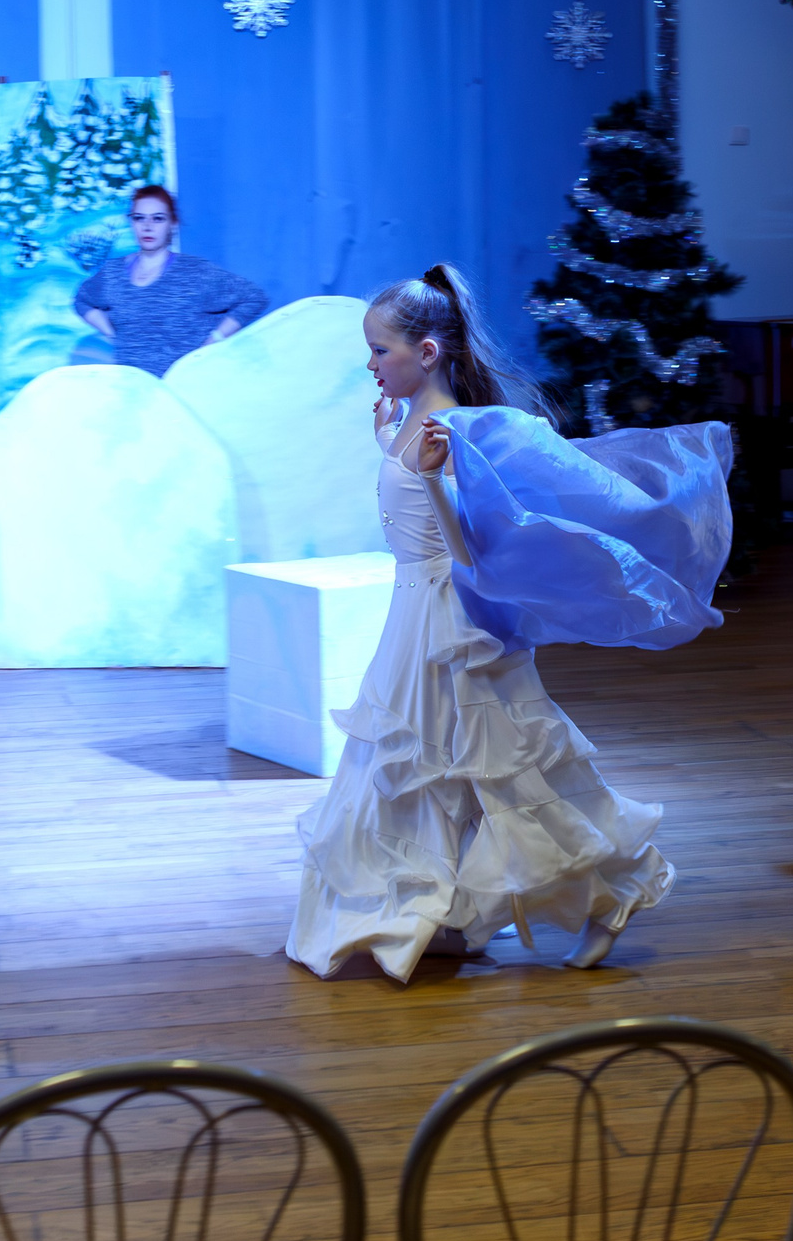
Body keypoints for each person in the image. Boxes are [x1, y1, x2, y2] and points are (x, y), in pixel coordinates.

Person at [287, 266, 732, 983]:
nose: (370, 363)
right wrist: (393, 451)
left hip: (451, 622)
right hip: (414, 617)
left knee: (509, 773)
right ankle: (422, 910)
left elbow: (469, 551)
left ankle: (609, 892)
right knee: (427, 769)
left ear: (426, 352)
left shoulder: (449, 434)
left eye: (380, 350)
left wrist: (430, 476)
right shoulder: (410, 427)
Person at [72, 185, 269, 376]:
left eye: (158, 219)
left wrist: (213, 341)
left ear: (172, 224)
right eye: (139, 218)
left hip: (188, 391)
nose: (147, 227)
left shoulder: (194, 272)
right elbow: (82, 300)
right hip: (135, 394)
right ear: (132, 223)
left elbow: (253, 297)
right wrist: (112, 332)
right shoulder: (113, 273)